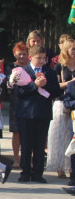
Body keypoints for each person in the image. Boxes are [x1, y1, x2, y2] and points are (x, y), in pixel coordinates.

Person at [15, 45, 61, 183]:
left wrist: (44, 84)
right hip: (25, 114)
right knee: (26, 145)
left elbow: (57, 92)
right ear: (30, 58)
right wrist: (34, 85)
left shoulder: (50, 72)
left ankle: (38, 174)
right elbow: (19, 93)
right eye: (38, 58)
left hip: (43, 114)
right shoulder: (23, 71)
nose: (41, 61)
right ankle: (25, 173)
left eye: (43, 58)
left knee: (40, 146)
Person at [47, 39, 75, 179]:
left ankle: (71, 167)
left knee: (71, 137)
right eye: (73, 49)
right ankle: (59, 167)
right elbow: (56, 86)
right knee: (58, 136)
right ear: (67, 50)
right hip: (61, 101)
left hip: (74, 104)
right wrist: (71, 83)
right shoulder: (60, 66)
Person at [5, 42, 29, 168]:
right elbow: (9, 85)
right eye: (19, 54)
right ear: (14, 54)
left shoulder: (31, 67)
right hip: (16, 101)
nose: (22, 56)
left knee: (29, 132)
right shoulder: (11, 67)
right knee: (16, 132)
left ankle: (28, 158)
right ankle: (16, 158)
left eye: (24, 54)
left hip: (29, 101)